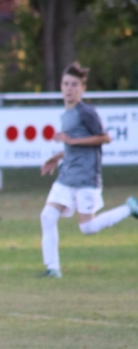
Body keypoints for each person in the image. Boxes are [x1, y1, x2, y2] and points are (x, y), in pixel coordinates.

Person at [38, 62, 138, 278]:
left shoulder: (86, 112)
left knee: (88, 228)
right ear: (60, 86)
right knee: (47, 216)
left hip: (86, 178)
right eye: (66, 84)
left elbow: (105, 138)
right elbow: (72, 144)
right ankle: (53, 269)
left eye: (74, 85)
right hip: (66, 176)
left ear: (83, 88)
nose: (69, 89)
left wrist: (71, 141)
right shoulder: (66, 113)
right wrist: (57, 157)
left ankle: (129, 208)